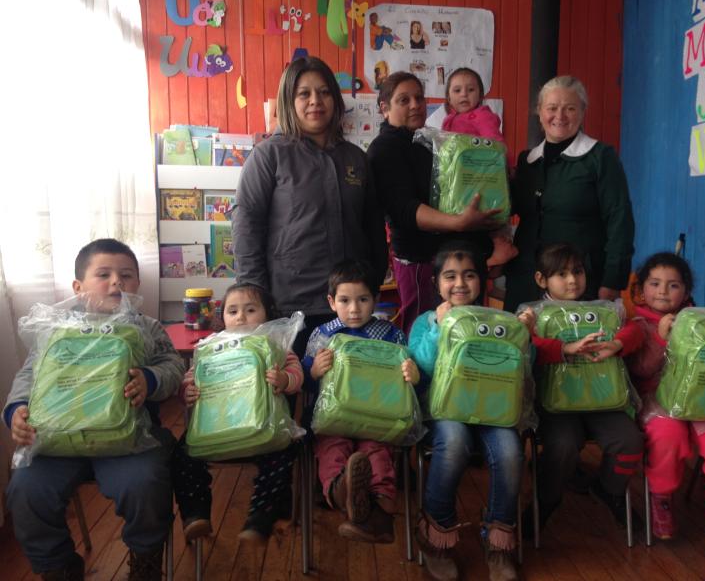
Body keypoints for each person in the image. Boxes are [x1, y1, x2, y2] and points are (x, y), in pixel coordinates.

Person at [4, 238, 184, 581]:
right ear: (78, 286)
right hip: (57, 442)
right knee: (26, 490)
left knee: (146, 484)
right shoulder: (55, 330)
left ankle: (145, 559)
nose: (117, 281)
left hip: (129, 441)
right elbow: (30, 374)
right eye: (104, 274)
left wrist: (150, 378)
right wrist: (17, 410)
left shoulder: (146, 327)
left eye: (127, 275)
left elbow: (173, 365)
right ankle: (56, 565)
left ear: (137, 285)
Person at [233, 56, 387, 357]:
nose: (315, 101)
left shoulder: (355, 158)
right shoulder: (268, 156)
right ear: (289, 100)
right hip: (290, 308)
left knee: (346, 395)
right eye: (304, 93)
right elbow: (246, 227)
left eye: (324, 92)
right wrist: (255, 297)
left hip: (350, 305)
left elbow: (372, 228)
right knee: (290, 391)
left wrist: (373, 281)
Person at [624, 252, 705, 571]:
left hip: (704, 401)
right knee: (666, 434)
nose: (663, 291)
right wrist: (663, 340)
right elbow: (638, 371)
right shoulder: (637, 326)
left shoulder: (703, 321)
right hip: (659, 399)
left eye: (673, 285)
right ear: (641, 290)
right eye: (654, 283)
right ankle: (661, 498)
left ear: (687, 290)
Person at [408, 241, 523, 581]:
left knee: (510, 452)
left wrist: (523, 335)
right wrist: (439, 329)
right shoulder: (425, 322)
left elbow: (520, 370)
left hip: (494, 411)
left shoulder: (502, 320)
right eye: (450, 276)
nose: (460, 284)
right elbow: (422, 367)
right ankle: (437, 537)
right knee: (454, 444)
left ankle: (499, 543)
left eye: (469, 275)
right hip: (447, 409)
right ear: (436, 283)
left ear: (483, 281)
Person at [517, 243, 644, 529]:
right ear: (541, 279)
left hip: (603, 400)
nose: (572, 280)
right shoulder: (532, 314)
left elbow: (636, 329)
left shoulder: (603, 311)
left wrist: (618, 343)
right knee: (562, 445)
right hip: (556, 404)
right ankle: (546, 499)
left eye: (577, 271)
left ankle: (610, 490)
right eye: (561, 274)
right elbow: (524, 345)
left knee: (630, 440)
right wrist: (565, 348)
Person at [367, 72, 499, 334]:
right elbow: (404, 208)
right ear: (385, 108)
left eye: (419, 98)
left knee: (461, 328)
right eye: (404, 100)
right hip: (418, 260)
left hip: (448, 256)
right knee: (423, 331)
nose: (415, 105)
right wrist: (459, 222)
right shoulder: (384, 148)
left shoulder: (429, 140)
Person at [172, 282, 303, 543]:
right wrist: (188, 390)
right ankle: (195, 514)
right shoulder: (210, 345)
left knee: (283, 452)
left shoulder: (275, 344)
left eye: (251, 309)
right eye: (232, 311)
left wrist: (285, 380)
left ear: (268, 314)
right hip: (215, 427)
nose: (241, 316)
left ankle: (262, 516)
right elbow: (191, 376)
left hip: (265, 426)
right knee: (183, 454)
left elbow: (296, 374)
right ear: (223, 317)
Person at [303, 260, 420, 544]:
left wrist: (413, 374)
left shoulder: (392, 334)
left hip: (377, 418)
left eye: (363, 299)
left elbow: (407, 373)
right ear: (331, 302)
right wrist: (313, 370)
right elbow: (305, 378)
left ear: (376, 299)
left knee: (376, 452)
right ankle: (344, 491)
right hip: (335, 420)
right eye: (345, 300)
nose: (354, 309)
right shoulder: (323, 335)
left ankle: (376, 507)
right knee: (333, 450)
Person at [504, 75, 635, 313]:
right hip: (526, 279)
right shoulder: (527, 161)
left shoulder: (600, 157)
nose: (560, 116)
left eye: (570, 108)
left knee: (577, 347)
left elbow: (620, 220)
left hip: (579, 282)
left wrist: (612, 281)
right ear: (539, 111)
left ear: (583, 111)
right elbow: (505, 209)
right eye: (552, 108)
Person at [442, 67, 518, 271]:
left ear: (481, 95)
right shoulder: (448, 122)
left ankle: (501, 247)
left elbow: (497, 142)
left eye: (470, 89)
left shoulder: (482, 116)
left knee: (490, 213)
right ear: (448, 97)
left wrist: (507, 165)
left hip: (485, 176)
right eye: (457, 90)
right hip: (461, 181)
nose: (464, 94)